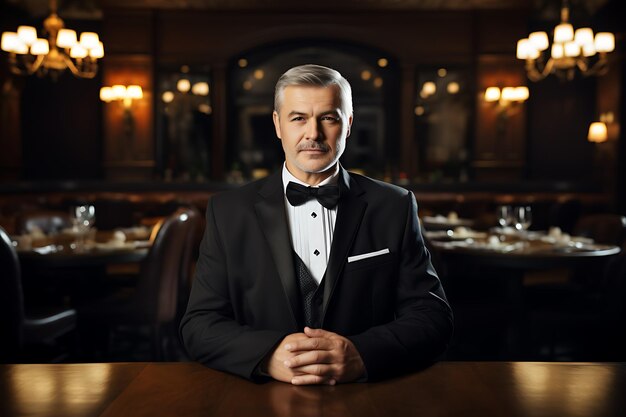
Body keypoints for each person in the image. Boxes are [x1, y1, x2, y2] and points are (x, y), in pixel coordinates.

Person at [180, 64, 453, 385]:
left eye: (328, 118)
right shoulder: (227, 211)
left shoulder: (394, 206)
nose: (313, 134)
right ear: (277, 124)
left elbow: (433, 318)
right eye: (298, 118)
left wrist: (362, 353)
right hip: (257, 400)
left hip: (368, 399)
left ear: (348, 124)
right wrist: (267, 356)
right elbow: (199, 325)